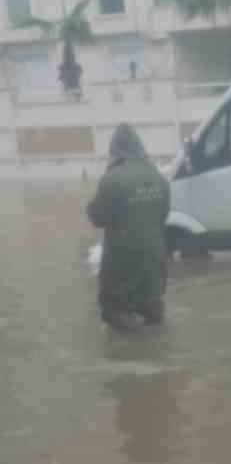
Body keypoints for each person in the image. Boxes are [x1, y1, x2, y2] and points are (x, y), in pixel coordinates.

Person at [87, 124, 171, 330]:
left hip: (123, 259)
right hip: (154, 256)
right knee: (152, 310)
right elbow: (163, 214)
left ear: (115, 150)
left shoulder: (112, 179)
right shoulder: (159, 178)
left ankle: (127, 357)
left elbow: (98, 218)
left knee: (116, 313)